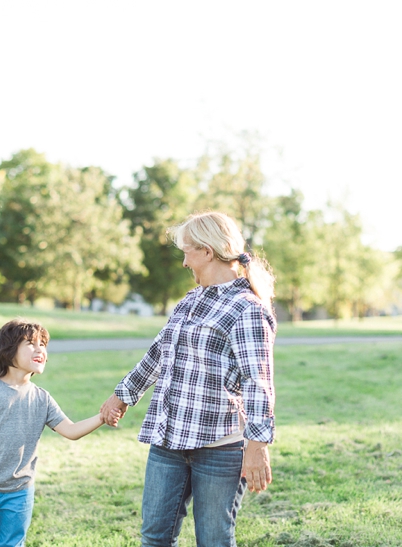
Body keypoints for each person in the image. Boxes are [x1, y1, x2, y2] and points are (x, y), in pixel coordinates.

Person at [100, 211, 277, 547]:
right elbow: (158, 355)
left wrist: (257, 446)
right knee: (154, 537)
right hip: (169, 441)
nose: (184, 262)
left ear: (207, 252)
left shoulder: (247, 309)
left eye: (187, 252)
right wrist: (123, 395)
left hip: (220, 448)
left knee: (212, 540)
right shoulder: (189, 302)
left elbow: (258, 382)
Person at [0, 318, 119, 547]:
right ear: (8, 349)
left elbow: (71, 430)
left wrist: (102, 417)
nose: (40, 349)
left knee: (12, 544)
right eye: (30, 343)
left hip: (19, 492)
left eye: (42, 344)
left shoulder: (42, 398)